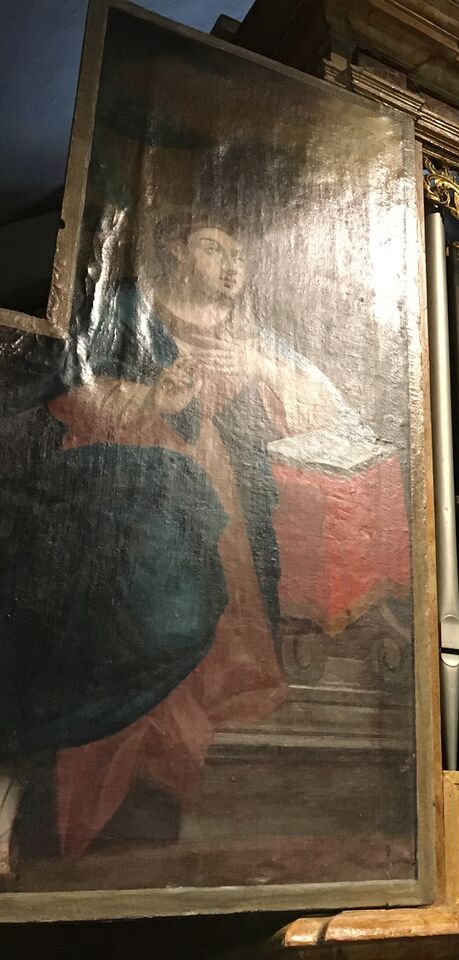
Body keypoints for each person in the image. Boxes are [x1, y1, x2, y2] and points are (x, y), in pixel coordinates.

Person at [0, 209, 357, 873]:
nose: (231, 266)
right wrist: (152, 401)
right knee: (147, 616)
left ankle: (142, 812)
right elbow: (64, 392)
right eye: (214, 247)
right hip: (115, 479)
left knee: (200, 647)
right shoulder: (129, 309)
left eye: (239, 256)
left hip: (216, 492)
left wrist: (262, 366)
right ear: (175, 250)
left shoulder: (249, 334)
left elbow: (328, 409)